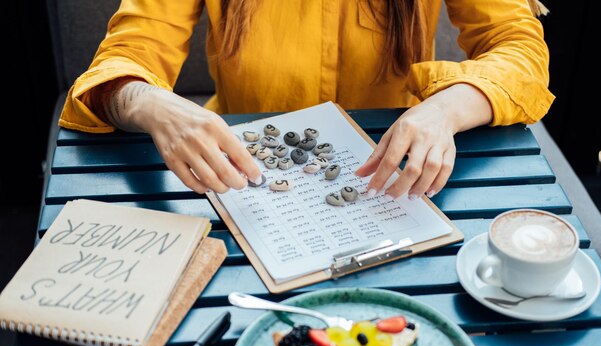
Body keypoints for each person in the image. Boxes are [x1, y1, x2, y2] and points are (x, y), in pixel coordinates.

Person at [59, 0, 554, 200]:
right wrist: (149, 104)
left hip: (395, 177)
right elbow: (128, 55)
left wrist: (445, 108)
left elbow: (519, 47)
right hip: (238, 179)